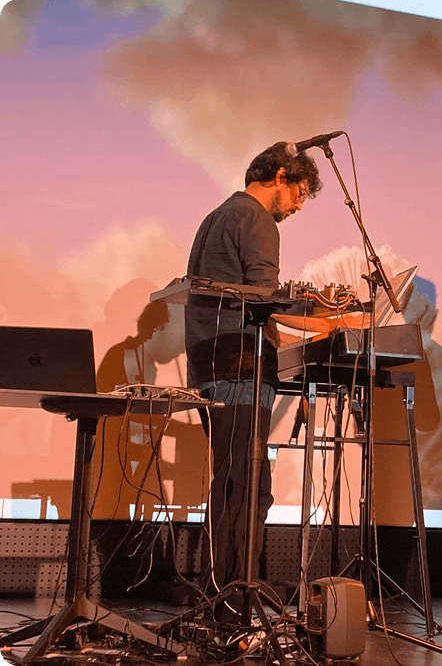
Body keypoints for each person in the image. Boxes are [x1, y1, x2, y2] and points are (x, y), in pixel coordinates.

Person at [185, 142, 322, 591]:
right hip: (240, 368)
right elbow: (265, 301)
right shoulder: (258, 220)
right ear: (280, 177)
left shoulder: (214, 217)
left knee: (233, 480)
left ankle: (219, 591)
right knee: (247, 487)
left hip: (210, 367)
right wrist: (324, 319)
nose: (299, 207)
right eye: (300, 193)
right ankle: (234, 596)